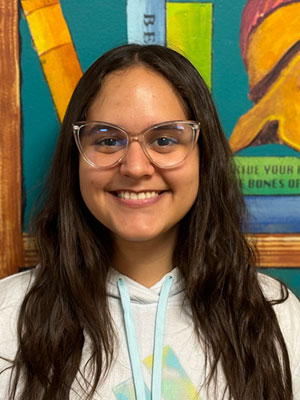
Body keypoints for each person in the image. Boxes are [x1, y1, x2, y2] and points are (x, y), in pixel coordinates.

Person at [0, 44, 299, 400]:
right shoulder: (8, 315)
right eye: (109, 140)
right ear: (75, 158)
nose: (136, 167)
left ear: (205, 157)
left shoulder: (274, 315)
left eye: (164, 140)